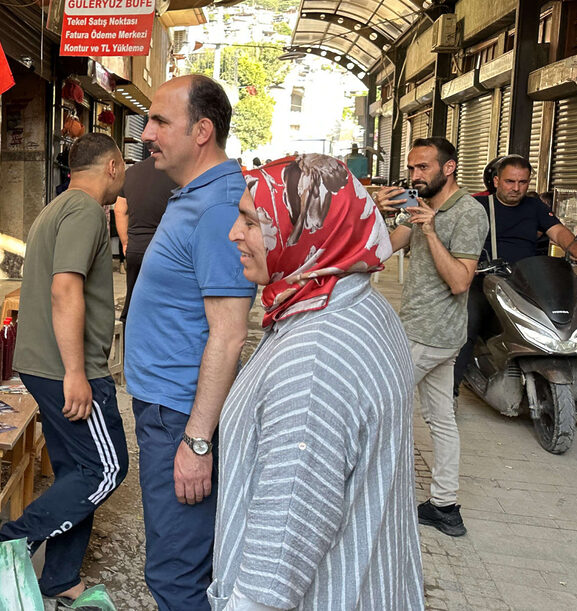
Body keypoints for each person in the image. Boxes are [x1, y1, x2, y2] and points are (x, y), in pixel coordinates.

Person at [209, 154, 423, 610]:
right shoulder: (355, 304)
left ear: (302, 230)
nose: (235, 234)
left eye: (251, 221)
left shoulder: (312, 362)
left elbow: (273, 571)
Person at [126, 75, 255, 610]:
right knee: (178, 567)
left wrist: (197, 443)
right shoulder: (196, 196)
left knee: (176, 576)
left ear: (202, 131)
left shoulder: (219, 209)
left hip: (180, 415)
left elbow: (229, 333)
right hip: (168, 409)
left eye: (159, 121)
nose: (146, 134)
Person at [0, 133, 130, 603]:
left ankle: (61, 578)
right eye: (124, 168)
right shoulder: (87, 211)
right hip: (67, 368)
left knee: (77, 471)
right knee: (106, 471)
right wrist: (76, 372)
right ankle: (7, 544)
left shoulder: (56, 207)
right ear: (111, 166)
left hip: (43, 363)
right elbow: (64, 288)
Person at [375, 137, 488, 538]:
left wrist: (433, 231)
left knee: (379, 410)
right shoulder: (420, 207)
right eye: (411, 168)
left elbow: (460, 281)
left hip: (430, 336)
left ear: (449, 167)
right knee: (441, 419)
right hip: (424, 332)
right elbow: (381, 251)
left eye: (423, 168)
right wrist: (376, 211)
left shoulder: (469, 214)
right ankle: (445, 505)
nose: (414, 176)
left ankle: (377, 500)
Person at [454, 155, 577, 387]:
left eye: (522, 182)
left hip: (526, 280)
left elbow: (558, 232)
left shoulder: (535, 206)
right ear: (496, 181)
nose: (516, 188)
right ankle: (452, 390)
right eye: (509, 182)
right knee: (470, 320)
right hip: (487, 278)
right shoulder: (478, 206)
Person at [113, 156, 177, 323]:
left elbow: (119, 210)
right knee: (164, 309)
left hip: (136, 249)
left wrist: (126, 242)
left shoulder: (131, 172)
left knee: (133, 303)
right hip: (166, 250)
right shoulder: (177, 172)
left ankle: (129, 346)